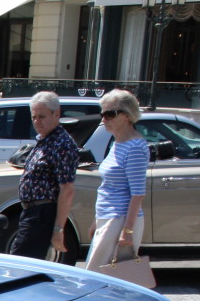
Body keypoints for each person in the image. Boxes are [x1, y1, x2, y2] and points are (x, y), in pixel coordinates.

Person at [84, 89, 149, 272]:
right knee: (101, 278)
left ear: (127, 115)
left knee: (95, 277)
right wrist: (97, 221)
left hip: (120, 220)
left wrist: (127, 231)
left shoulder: (134, 146)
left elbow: (137, 193)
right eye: (102, 114)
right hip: (108, 217)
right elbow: (109, 186)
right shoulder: (117, 143)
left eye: (110, 114)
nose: (104, 119)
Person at [13, 91, 79, 260]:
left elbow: (67, 189)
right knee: (21, 262)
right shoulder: (45, 140)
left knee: (20, 263)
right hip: (31, 212)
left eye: (42, 116)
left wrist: (58, 229)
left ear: (56, 114)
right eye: (34, 117)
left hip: (43, 213)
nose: (37, 121)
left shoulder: (61, 143)